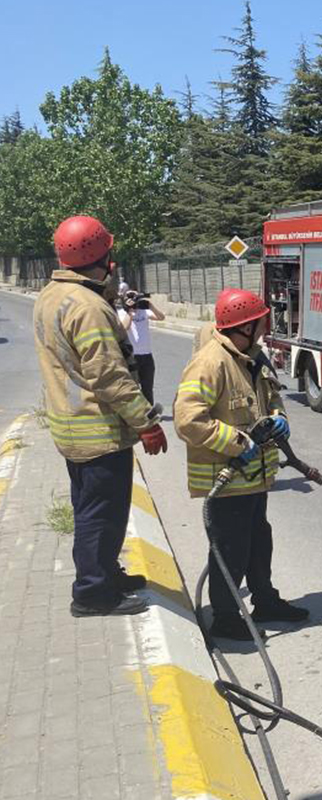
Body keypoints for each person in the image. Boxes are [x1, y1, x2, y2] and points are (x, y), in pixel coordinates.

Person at [33, 215, 169, 617]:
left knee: (93, 509)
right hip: (97, 432)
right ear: (103, 255)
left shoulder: (52, 295)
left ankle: (105, 573)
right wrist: (146, 422)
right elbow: (108, 375)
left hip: (71, 427)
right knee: (101, 516)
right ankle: (93, 593)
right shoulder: (88, 307)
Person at [174, 288, 308, 640]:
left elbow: (270, 397)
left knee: (258, 541)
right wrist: (238, 444)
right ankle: (227, 620)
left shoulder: (253, 356)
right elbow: (188, 419)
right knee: (230, 552)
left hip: (254, 478)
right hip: (227, 479)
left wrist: (279, 417)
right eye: (261, 321)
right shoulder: (211, 363)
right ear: (245, 326)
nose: (266, 326)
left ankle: (265, 601)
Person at [115, 282, 165, 404]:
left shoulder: (144, 311)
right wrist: (130, 313)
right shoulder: (122, 313)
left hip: (147, 356)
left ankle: (150, 417)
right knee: (134, 389)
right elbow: (124, 328)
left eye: (134, 297)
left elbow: (161, 317)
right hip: (132, 356)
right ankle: (136, 417)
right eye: (129, 297)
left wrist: (149, 305)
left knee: (148, 389)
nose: (133, 300)